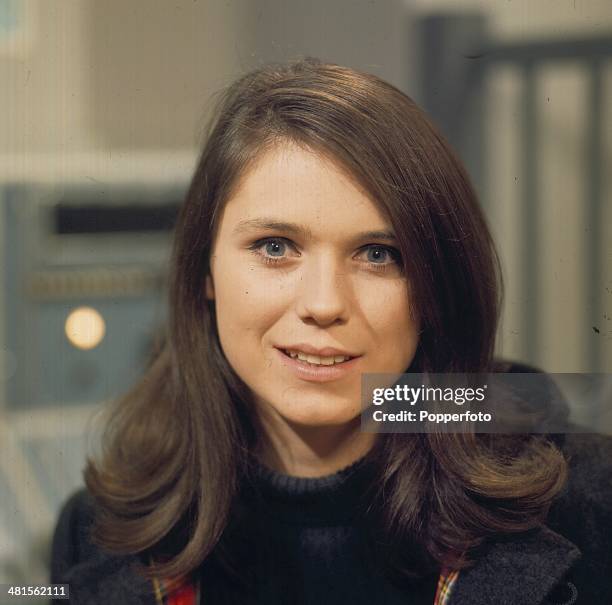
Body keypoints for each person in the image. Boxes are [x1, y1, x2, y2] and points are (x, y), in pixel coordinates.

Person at [50, 58, 612, 605]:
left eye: (378, 254)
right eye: (275, 247)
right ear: (205, 269)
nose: (323, 304)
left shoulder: (588, 502)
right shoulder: (95, 532)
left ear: (437, 285)